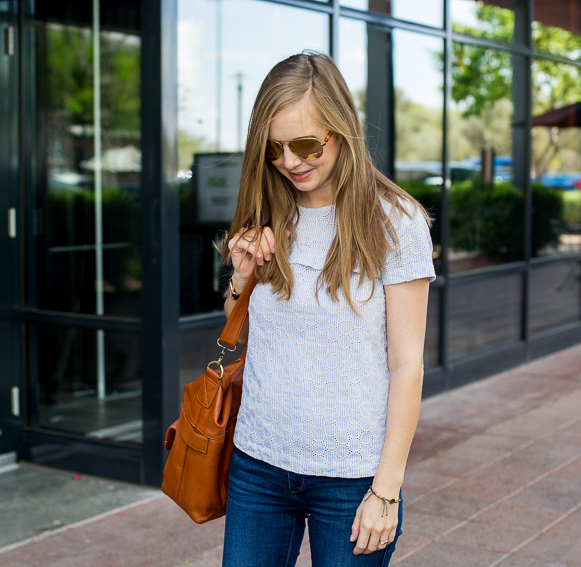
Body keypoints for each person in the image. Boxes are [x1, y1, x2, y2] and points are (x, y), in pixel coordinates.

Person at [218, 51, 435, 567]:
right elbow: (235, 331)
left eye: (306, 143)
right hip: (258, 465)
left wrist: (387, 489)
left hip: (353, 477)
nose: (290, 161)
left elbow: (407, 366)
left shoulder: (395, 222)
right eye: (274, 148)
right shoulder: (269, 211)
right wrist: (241, 277)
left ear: (341, 130)